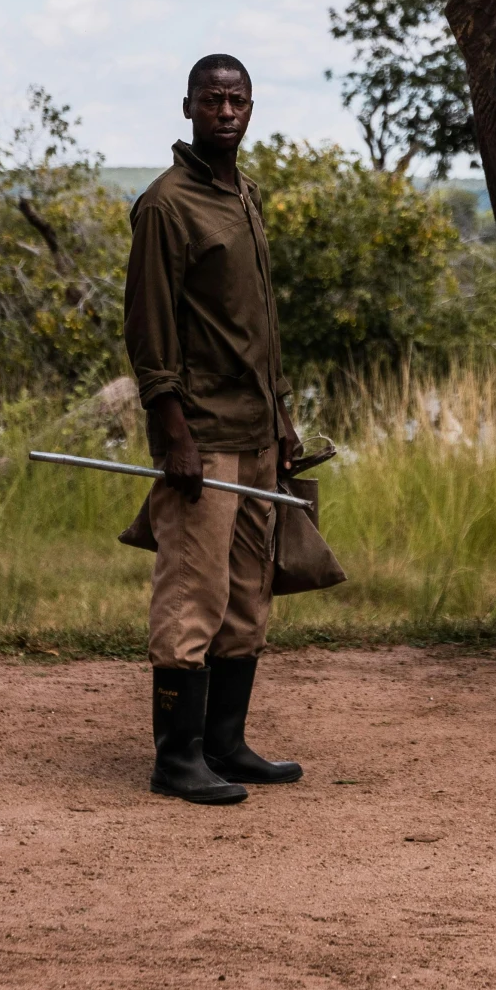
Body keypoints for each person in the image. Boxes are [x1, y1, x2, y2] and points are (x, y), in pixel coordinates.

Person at [124, 53, 305, 805]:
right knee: (192, 593)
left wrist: (284, 422)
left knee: (246, 591)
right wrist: (175, 438)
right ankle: (177, 760)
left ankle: (226, 744)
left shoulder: (245, 194)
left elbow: (254, 327)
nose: (225, 112)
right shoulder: (167, 205)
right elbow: (149, 329)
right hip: (201, 434)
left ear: (251, 107)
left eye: (236, 101)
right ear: (188, 107)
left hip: (257, 431)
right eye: (211, 100)